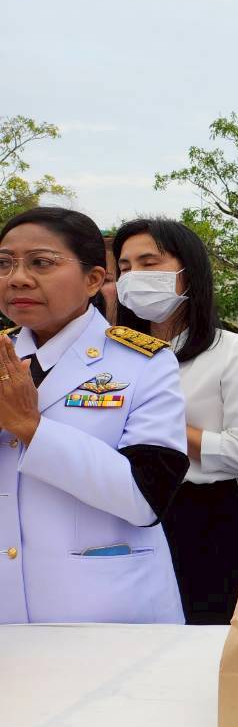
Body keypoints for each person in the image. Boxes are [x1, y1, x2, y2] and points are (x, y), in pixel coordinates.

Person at [0, 207, 188, 623]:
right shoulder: (3, 354)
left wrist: (32, 428)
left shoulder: (142, 363)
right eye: (4, 263)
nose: (17, 278)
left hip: (108, 611)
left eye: (41, 263)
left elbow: (145, 499)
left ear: (93, 279)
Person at [114, 218, 238, 624]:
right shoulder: (113, 356)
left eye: (150, 263)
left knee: (203, 640)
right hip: (123, 513)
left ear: (188, 273)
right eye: (126, 267)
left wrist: (163, 429)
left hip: (205, 518)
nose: (135, 276)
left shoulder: (230, 350)